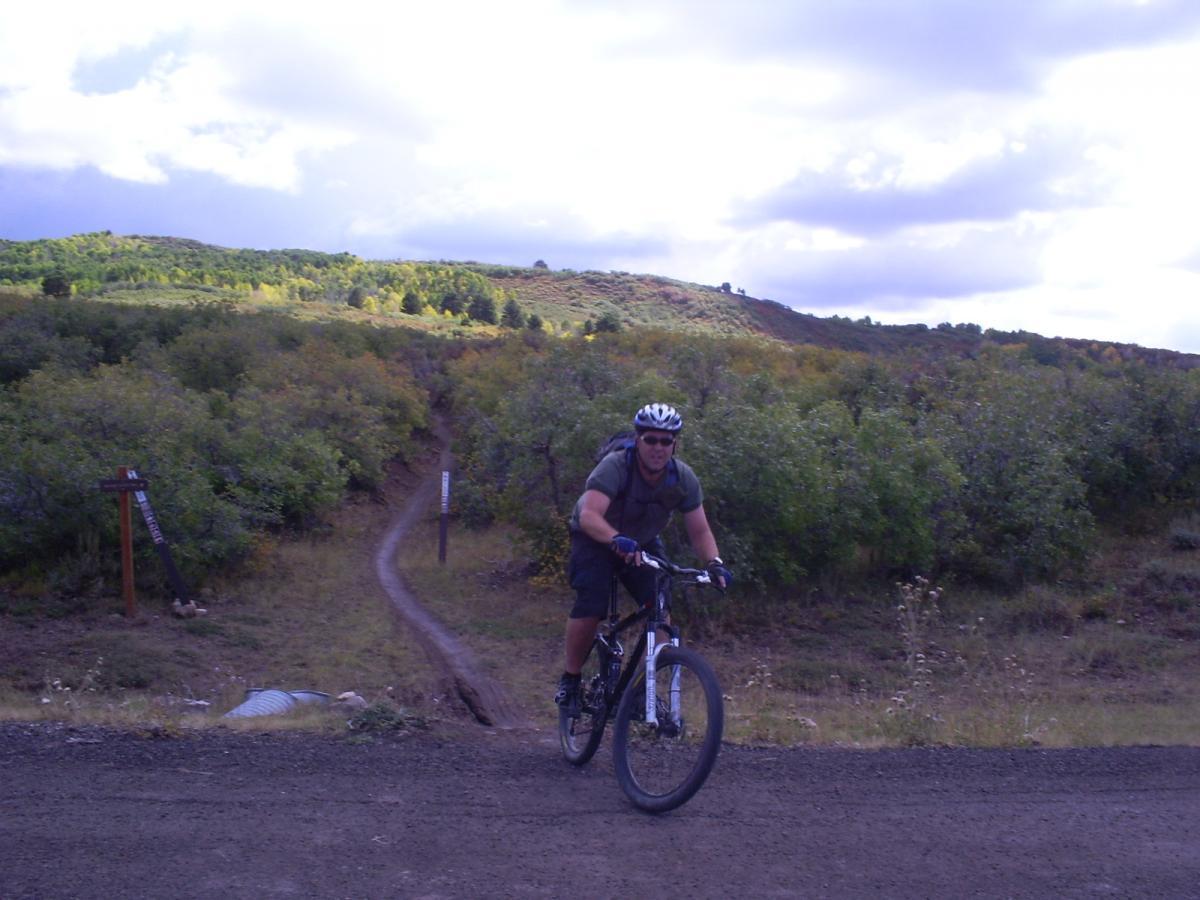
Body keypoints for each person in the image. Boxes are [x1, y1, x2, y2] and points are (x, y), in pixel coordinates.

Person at [555, 402, 732, 713]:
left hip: (641, 542)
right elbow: (589, 515)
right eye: (651, 439)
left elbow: (700, 532)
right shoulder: (616, 466)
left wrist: (714, 564)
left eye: (666, 441)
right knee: (592, 603)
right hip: (595, 536)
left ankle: (642, 691)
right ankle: (570, 681)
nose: (658, 447)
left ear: (675, 444)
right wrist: (614, 540)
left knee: (660, 606)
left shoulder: (683, 479)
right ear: (638, 440)